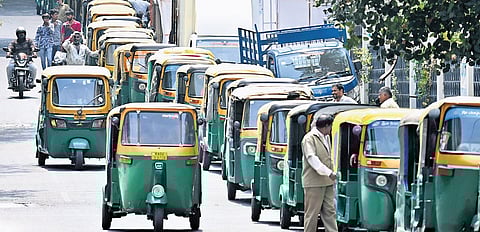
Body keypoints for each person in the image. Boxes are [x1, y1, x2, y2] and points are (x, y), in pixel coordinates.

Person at [301, 114, 338, 232]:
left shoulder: (326, 137)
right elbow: (312, 158)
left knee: (330, 211)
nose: (331, 129)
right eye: (330, 126)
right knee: (312, 213)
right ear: (326, 126)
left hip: (327, 181)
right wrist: (328, 172)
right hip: (314, 182)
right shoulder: (309, 138)